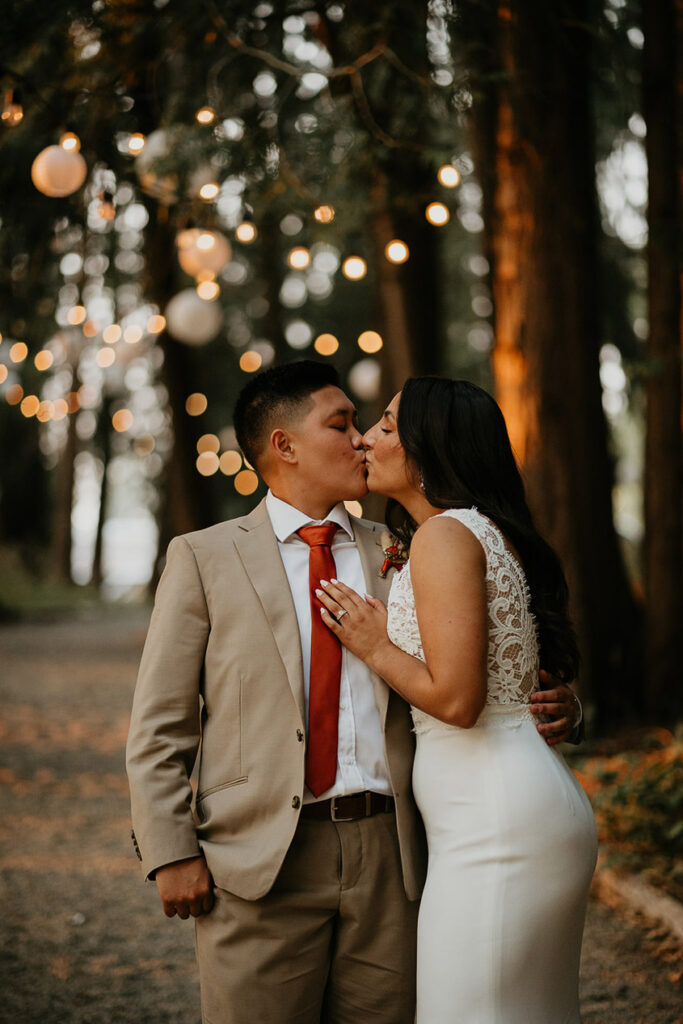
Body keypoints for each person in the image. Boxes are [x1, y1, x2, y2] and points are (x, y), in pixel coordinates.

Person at [125, 361, 583, 1024]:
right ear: (284, 446)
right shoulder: (204, 558)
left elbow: (482, 658)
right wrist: (170, 851)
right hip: (263, 860)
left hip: (396, 857)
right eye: (340, 424)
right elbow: (161, 724)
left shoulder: (404, 545)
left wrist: (556, 704)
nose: (361, 439)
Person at [317, 376, 598, 1024]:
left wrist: (373, 643)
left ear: (427, 447)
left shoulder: (445, 536)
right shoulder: (470, 531)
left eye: (386, 426)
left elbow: (458, 700)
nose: (366, 438)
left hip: (494, 819)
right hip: (499, 805)